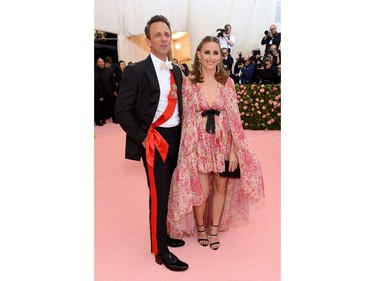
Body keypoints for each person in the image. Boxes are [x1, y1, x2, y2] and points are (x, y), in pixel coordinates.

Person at [167, 36, 265, 251]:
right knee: (200, 191)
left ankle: (214, 229)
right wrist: (189, 150)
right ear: (199, 55)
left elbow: (234, 118)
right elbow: (188, 119)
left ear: (221, 56)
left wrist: (234, 151)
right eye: (207, 52)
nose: (211, 57)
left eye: (215, 53)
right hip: (198, 144)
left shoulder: (227, 83)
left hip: (223, 143)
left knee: (221, 188)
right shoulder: (190, 83)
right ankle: (200, 227)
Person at [115, 15, 188, 272]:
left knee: (167, 193)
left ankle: (163, 235)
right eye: (157, 35)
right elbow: (121, 111)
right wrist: (144, 137)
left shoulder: (178, 70)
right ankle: (160, 250)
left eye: (166, 34)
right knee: (158, 196)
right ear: (148, 41)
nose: (163, 38)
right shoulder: (135, 71)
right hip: (154, 142)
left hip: (176, 139)